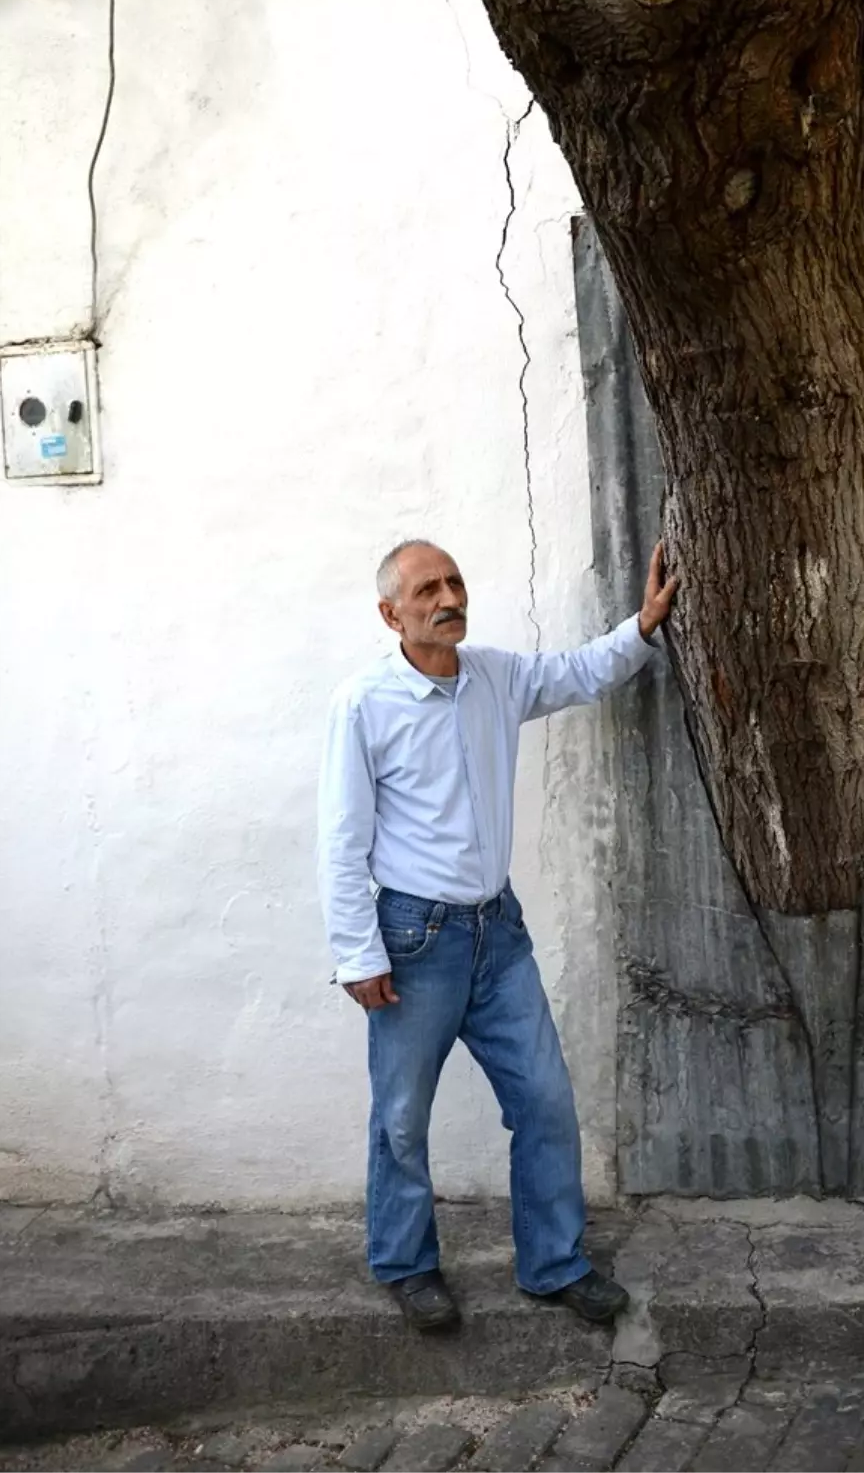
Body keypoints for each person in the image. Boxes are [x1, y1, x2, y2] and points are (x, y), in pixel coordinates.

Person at [317, 537, 677, 1331]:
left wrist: (644, 626)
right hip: (414, 940)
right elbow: (342, 839)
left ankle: (554, 1264)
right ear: (391, 614)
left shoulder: (496, 677)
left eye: (454, 580)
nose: (448, 597)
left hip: (498, 934)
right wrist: (357, 953)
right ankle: (407, 1266)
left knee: (544, 1100)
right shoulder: (365, 703)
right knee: (402, 1116)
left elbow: (578, 673)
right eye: (426, 590)